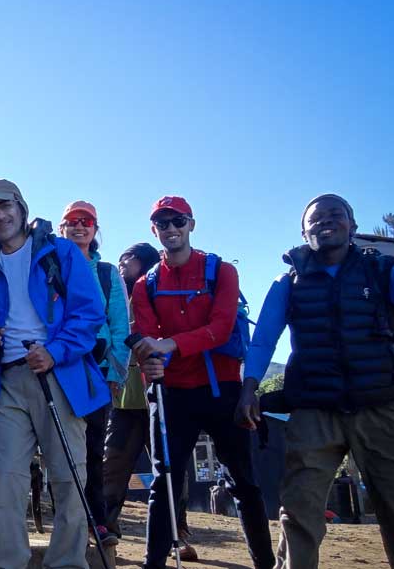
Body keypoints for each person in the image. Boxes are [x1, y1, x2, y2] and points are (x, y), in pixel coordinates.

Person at [236, 193, 394, 569]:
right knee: (299, 510)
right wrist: (249, 387)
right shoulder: (290, 281)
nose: (325, 222)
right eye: (315, 219)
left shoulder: (382, 272)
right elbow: (264, 338)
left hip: (382, 407)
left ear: (353, 227)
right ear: (303, 232)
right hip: (315, 410)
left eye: (336, 215)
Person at [0, 180, 110, 569]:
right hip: (8, 380)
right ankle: (8, 563)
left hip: (59, 375)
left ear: (22, 208)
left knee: (69, 478)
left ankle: (66, 563)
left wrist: (55, 351)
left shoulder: (58, 252)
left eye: (5, 206)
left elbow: (89, 311)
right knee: (6, 480)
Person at [131, 195, 274, 569]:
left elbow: (222, 327)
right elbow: (146, 338)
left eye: (178, 221)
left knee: (244, 482)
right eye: (163, 223)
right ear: (154, 230)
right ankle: (154, 563)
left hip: (221, 388)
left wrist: (170, 345)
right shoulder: (145, 285)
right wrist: (151, 361)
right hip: (172, 393)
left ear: (191, 224)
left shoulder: (221, 271)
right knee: (164, 482)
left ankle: (264, 561)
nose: (171, 229)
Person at [103, 243, 198, 561]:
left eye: (127, 259)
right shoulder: (113, 294)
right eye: (119, 259)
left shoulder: (160, 290)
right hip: (126, 399)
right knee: (112, 466)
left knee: (171, 470)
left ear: (145, 261)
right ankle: (106, 531)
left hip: (162, 394)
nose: (121, 264)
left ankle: (178, 536)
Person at [57, 200, 129, 549]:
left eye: (86, 221)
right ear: (61, 228)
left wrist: (116, 373)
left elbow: (118, 323)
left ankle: (97, 521)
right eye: (71, 221)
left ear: (95, 229)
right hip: (60, 366)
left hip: (97, 369)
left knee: (92, 448)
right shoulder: (50, 266)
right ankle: (68, 521)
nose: (79, 227)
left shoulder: (106, 273)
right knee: (61, 448)